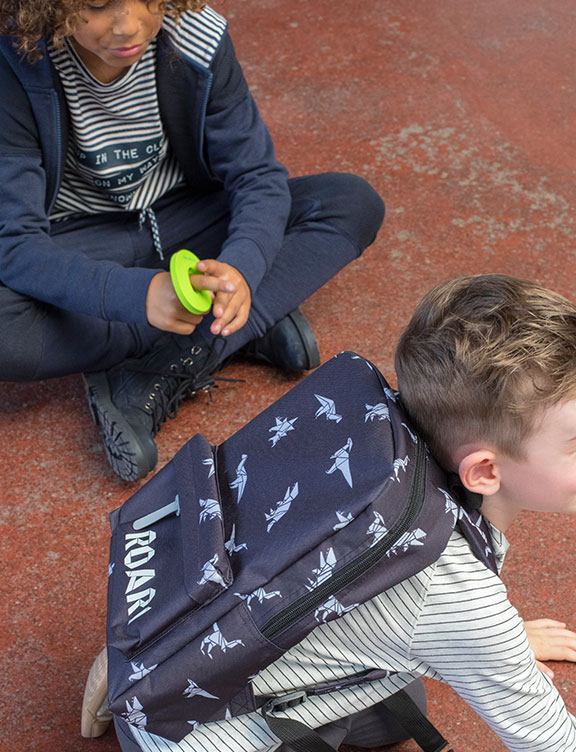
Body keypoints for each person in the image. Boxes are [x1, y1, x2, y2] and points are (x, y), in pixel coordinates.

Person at [29, 274, 576, 752]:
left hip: (191, 619)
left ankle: (139, 656)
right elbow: (546, 739)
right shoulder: (458, 602)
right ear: (481, 472)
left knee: (398, 712)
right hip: (203, 744)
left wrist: (500, 642)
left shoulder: (380, 424)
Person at [0, 0, 384, 481]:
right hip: (83, 242)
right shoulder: (16, 60)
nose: (128, 25)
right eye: (97, 6)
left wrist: (242, 267)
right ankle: (235, 327)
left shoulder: (197, 37)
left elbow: (257, 176)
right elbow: (15, 245)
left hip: (193, 222)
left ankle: (163, 363)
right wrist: (135, 297)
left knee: (350, 201)